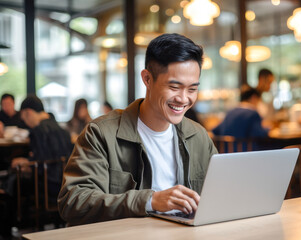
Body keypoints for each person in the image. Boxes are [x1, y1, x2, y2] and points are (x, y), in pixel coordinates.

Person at [57, 33, 218, 226]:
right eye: (174, 87)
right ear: (147, 79)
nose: (184, 99)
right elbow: (74, 201)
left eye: (192, 89)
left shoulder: (198, 135)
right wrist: (151, 201)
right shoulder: (101, 133)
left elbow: (220, 193)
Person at [0, 95, 73, 237]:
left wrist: (24, 163)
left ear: (28, 112)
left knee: (14, 181)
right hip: (65, 183)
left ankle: (7, 231)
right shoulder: (62, 130)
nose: (25, 122)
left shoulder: (38, 130)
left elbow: (39, 166)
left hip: (49, 185)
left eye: (24, 117)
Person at [212, 87, 269, 151]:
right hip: (245, 154)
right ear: (254, 98)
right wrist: (268, 129)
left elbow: (215, 131)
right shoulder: (253, 114)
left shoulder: (230, 112)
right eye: (259, 100)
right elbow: (259, 134)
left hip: (226, 153)